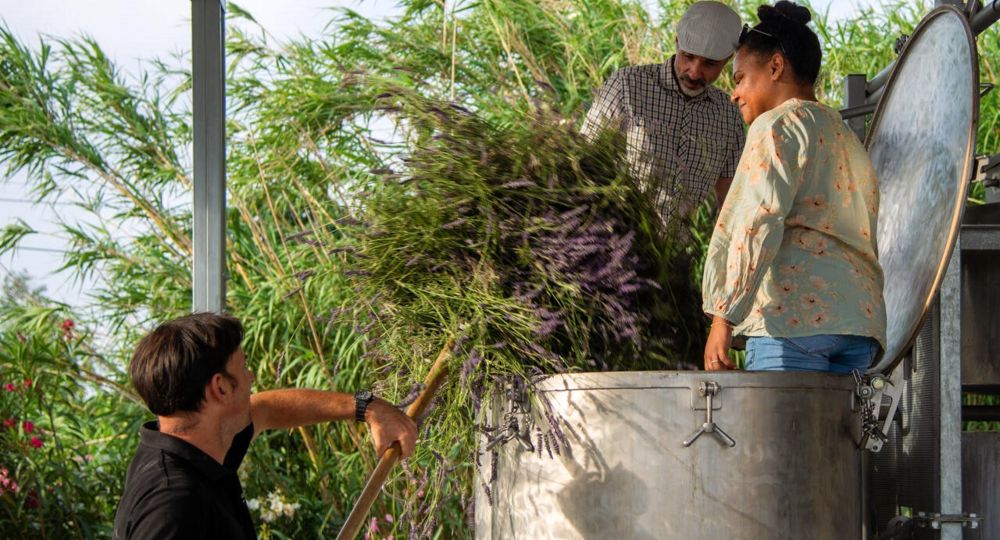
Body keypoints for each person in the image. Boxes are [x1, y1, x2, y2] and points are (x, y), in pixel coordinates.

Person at [701, 1, 887, 373]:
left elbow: (756, 221)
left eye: (739, 79)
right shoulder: (845, 136)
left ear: (775, 66)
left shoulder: (776, 126)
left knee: (776, 433)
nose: (734, 94)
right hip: (861, 326)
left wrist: (723, 316)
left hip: (793, 321)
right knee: (842, 434)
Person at [113, 313, 417, 539]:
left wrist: (367, 407)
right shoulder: (174, 506)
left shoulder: (197, 446)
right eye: (244, 367)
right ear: (220, 388)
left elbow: (268, 408)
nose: (251, 378)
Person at [581, 0, 746, 228]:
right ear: (677, 42)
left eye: (710, 64)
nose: (695, 72)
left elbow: (729, 199)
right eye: (688, 56)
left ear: (728, 60)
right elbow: (583, 159)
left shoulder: (730, 116)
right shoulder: (627, 85)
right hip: (614, 240)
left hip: (680, 253)